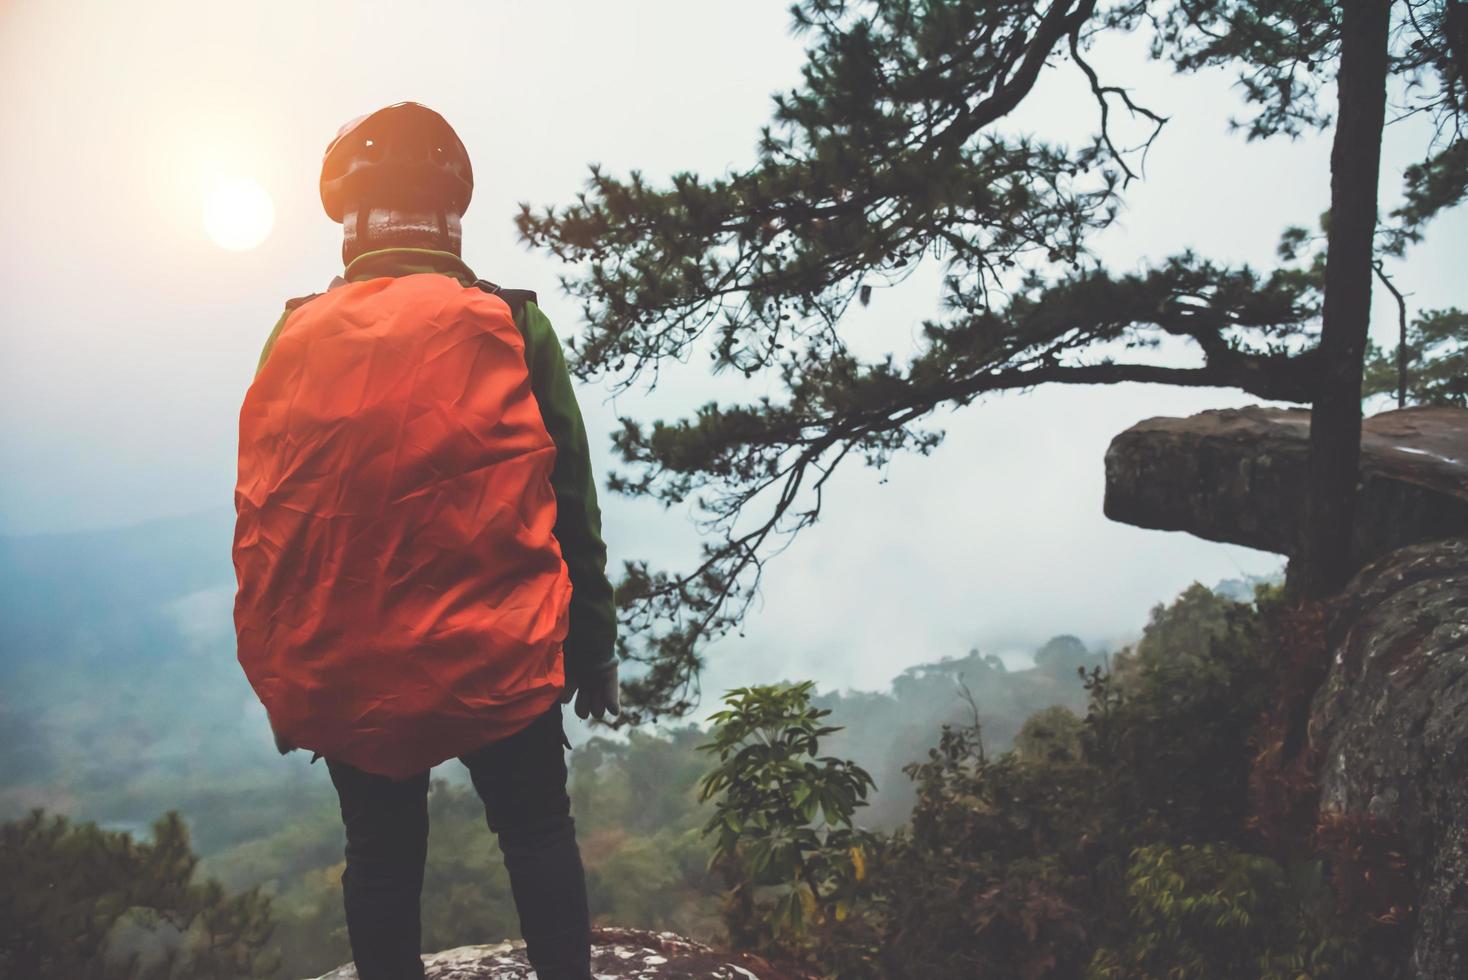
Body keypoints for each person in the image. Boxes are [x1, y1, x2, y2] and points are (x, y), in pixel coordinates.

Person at [232, 102, 620, 980]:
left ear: (352, 223)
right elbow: (572, 508)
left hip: (350, 666)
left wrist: (292, 671)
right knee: (536, 831)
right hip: (500, 651)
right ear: (451, 217)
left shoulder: (290, 335)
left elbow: (268, 515)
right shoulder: (514, 324)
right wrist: (592, 652)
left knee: (379, 858)